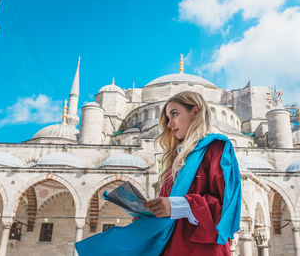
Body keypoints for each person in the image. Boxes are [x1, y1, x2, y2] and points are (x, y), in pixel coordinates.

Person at [75, 91, 241, 256]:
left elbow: (226, 208)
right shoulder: (175, 162)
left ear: (195, 111)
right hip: (170, 247)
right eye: (167, 118)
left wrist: (176, 206)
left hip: (203, 249)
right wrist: (149, 215)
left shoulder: (217, 148)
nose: (169, 124)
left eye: (174, 114)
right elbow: (169, 212)